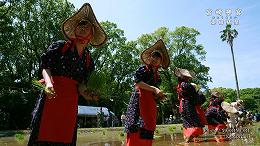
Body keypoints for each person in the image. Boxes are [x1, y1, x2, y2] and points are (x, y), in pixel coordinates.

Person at [27, 3, 107, 146]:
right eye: (80, 24)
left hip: (69, 104)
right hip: (51, 96)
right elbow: (46, 67)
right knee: (43, 138)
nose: (83, 27)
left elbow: (81, 84)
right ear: (75, 29)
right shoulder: (60, 47)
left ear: (92, 33)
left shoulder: (88, 60)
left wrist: (86, 94)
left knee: (66, 139)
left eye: (87, 25)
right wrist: (49, 84)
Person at [124, 39, 170, 146]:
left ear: (160, 61)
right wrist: (154, 89)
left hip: (150, 103)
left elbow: (155, 92)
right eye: (153, 56)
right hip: (138, 100)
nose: (155, 59)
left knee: (148, 125)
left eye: (158, 57)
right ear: (149, 57)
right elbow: (138, 83)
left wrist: (159, 96)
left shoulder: (158, 77)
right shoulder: (142, 69)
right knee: (136, 124)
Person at [173, 68, 204, 143]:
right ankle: (188, 138)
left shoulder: (179, 85)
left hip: (183, 105)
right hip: (188, 105)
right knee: (195, 123)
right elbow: (195, 97)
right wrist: (199, 97)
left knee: (187, 122)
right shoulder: (187, 85)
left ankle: (188, 138)